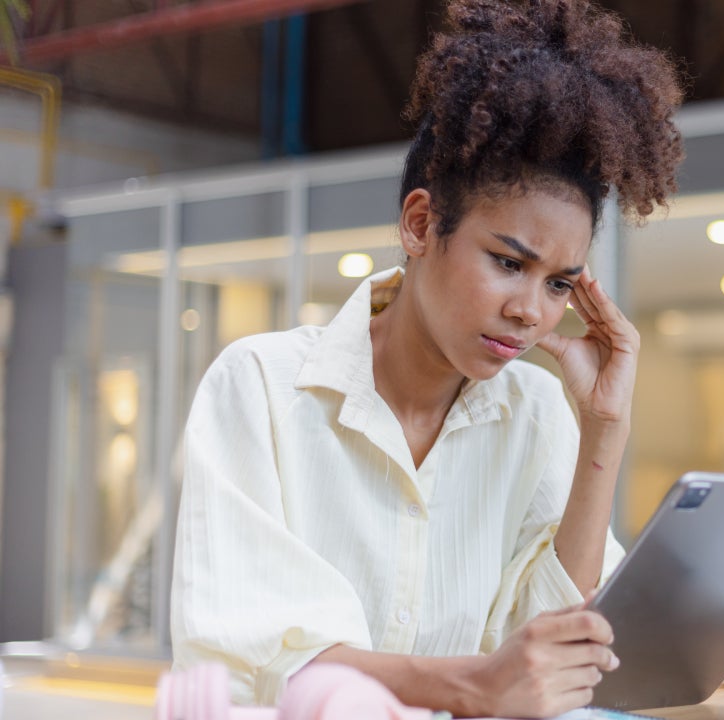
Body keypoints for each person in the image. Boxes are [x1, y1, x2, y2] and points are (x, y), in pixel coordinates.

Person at [169, 0, 683, 715]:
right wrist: (475, 684)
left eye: (560, 283)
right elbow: (262, 659)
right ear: (420, 224)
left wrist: (604, 429)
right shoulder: (261, 387)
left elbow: (553, 655)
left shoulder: (536, 416)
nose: (531, 310)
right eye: (509, 261)